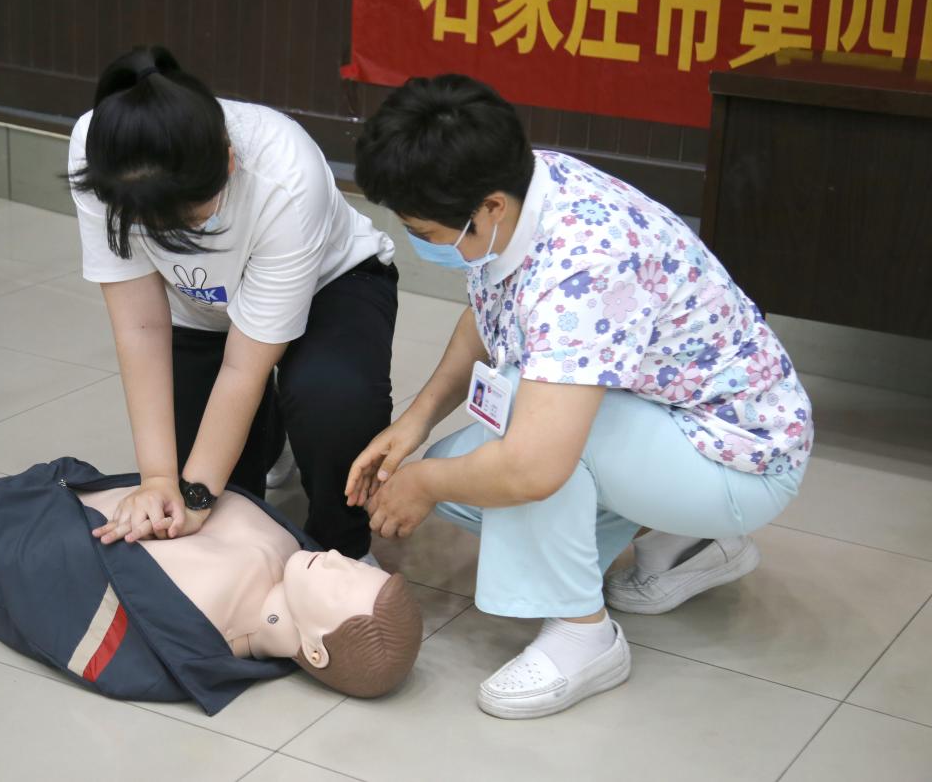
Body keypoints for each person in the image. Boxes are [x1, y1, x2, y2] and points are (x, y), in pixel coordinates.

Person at [345, 75, 813, 720]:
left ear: (489, 208)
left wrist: (421, 483)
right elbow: (490, 311)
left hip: (737, 458)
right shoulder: (524, 185)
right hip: (670, 420)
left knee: (518, 447)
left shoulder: (585, 265)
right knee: (469, 478)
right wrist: (416, 422)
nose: (421, 242)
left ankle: (584, 635)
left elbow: (536, 467)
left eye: (424, 229)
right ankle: (688, 544)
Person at [67, 46, 398, 561]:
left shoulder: (286, 175)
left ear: (228, 160)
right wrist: (159, 480)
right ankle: (274, 439)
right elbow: (140, 328)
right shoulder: (104, 153)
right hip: (200, 304)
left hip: (330, 286)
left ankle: (344, 549)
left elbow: (245, 365)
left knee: (332, 400)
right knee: (213, 492)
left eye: (187, 220)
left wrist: (196, 496)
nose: (170, 236)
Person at [0, 458, 422, 708]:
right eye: (356, 566)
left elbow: (61, 585)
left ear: (315, 652)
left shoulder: (190, 629)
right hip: (59, 494)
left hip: (13, 516)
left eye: (342, 585)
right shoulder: (296, 556)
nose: (336, 558)